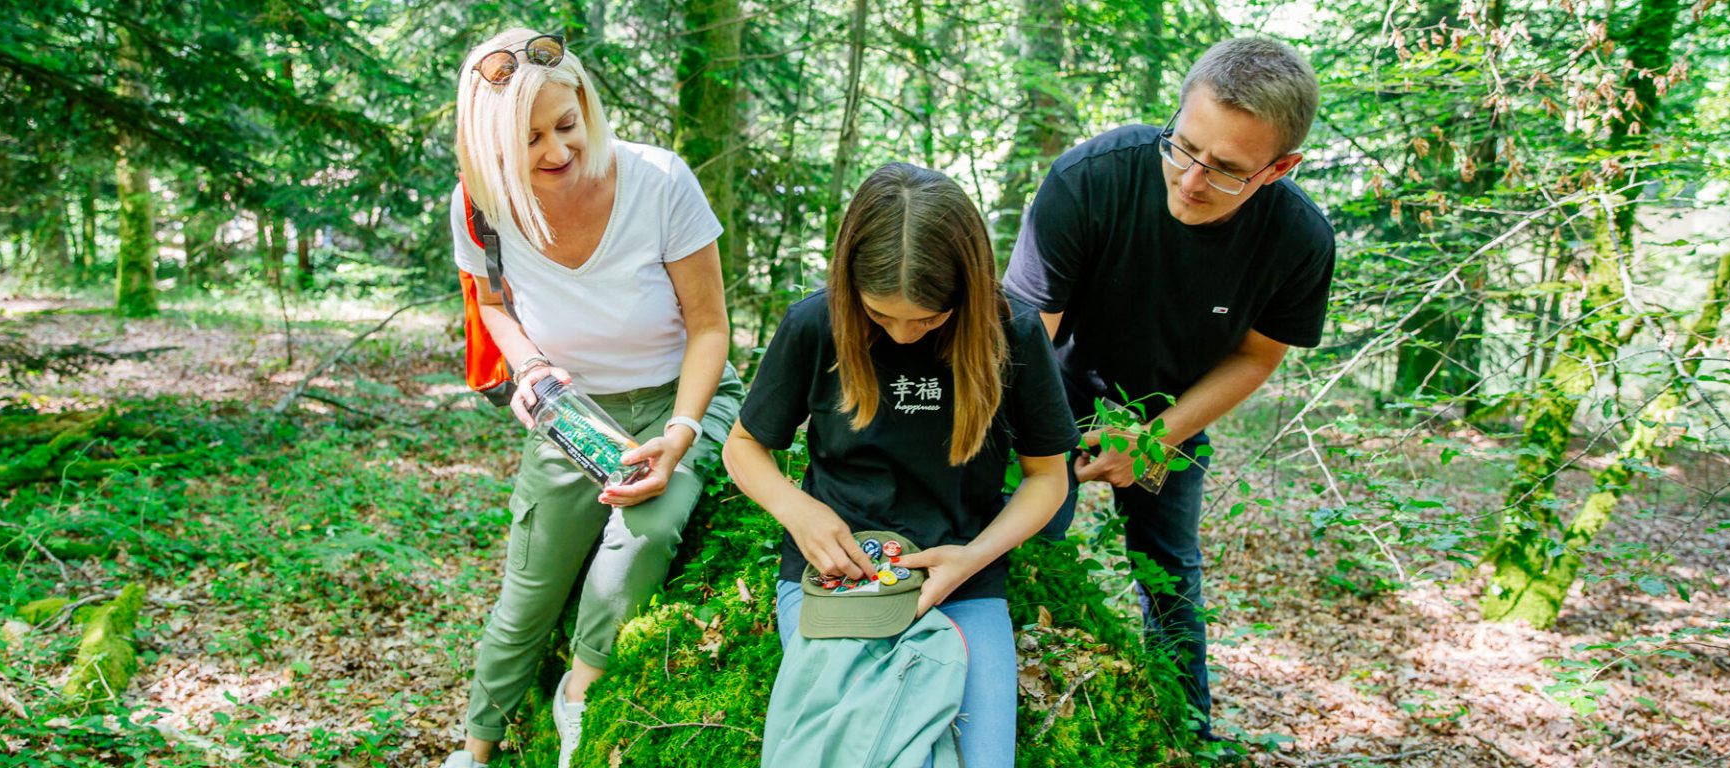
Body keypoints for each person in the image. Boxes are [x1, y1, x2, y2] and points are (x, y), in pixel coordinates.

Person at [1002, 37, 1336, 746]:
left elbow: (1255, 357)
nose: (1189, 180)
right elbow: (1020, 342)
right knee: (1030, 549)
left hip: (1170, 410)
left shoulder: (1299, 240)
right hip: (1051, 390)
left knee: (1171, 573)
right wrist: (1047, 448)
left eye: (1225, 171)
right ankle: (1026, 719)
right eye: (1182, 148)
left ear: (1279, 169)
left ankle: (1188, 737)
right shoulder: (1090, 179)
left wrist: (1154, 439)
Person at [440, 28, 743, 768]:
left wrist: (680, 433)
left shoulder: (658, 181)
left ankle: (579, 693)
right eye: (529, 140)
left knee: (637, 541)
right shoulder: (479, 204)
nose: (555, 152)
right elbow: (491, 307)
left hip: (680, 395)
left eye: (567, 125)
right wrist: (532, 369)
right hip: (573, 416)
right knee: (528, 595)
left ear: (586, 105)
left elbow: (710, 329)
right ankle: (473, 751)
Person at [723, 163, 1079, 765]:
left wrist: (972, 558)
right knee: (841, 750)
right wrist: (799, 512)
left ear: (965, 290)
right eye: (881, 315)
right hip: (838, 576)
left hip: (964, 575)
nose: (905, 336)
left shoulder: (1010, 332)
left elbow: (1047, 477)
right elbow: (743, 446)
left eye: (929, 318)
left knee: (979, 759)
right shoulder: (816, 323)